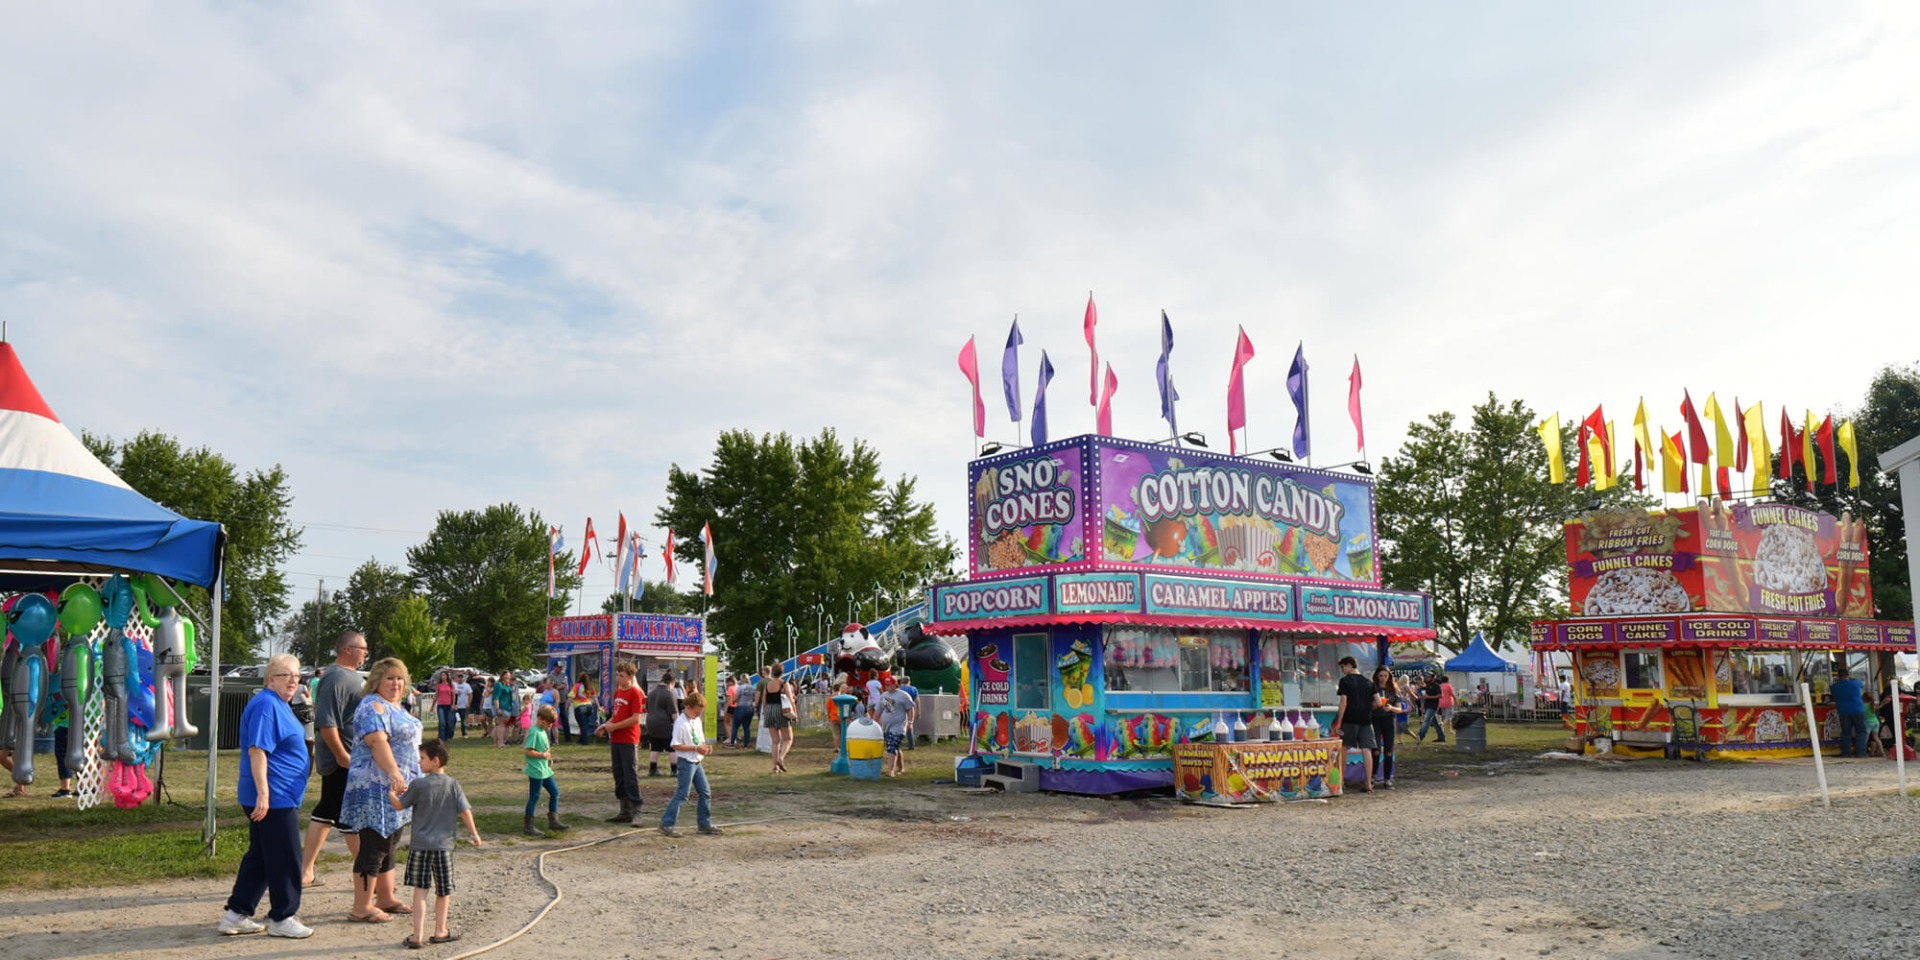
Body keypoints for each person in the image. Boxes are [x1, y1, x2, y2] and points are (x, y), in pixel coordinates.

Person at [218, 655, 314, 939]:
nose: (293, 681)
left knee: (261, 856)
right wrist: (264, 794)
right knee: (286, 856)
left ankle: (236, 914)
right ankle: (282, 916)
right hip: (274, 797)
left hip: (277, 796)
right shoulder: (265, 705)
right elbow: (257, 750)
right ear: (270, 679)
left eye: (297, 676)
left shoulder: (280, 705)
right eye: (285, 675)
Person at [341, 658, 423, 924]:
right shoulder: (372, 706)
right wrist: (393, 772)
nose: (396, 683)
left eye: (399, 678)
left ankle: (385, 897)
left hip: (398, 788)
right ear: (377, 681)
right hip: (375, 787)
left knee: (390, 842)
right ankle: (361, 907)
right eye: (389, 678)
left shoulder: (395, 706)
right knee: (374, 844)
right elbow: (376, 742)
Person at [389, 738, 482, 949]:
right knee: (443, 891)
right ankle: (440, 931)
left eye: (422, 758)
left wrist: (391, 794)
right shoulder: (453, 785)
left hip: (420, 846)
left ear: (435, 760)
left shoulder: (418, 785)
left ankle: (417, 936)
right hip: (444, 847)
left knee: (420, 891)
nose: (419, 762)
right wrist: (474, 834)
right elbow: (465, 811)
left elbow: (399, 805)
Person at [301, 630, 369, 887]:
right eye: (363, 648)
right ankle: (366, 874)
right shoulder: (335, 677)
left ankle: (306, 871)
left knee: (332, 812)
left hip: (353, 756)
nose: (365, 653)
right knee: (342, 814)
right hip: (343, 759)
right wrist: (342, 755)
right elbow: (327, 722)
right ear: (347, 649)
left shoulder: (350, 676)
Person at [658, 690, 721, 837]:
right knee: (682, 794)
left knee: (705, 792)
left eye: (700, 712)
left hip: (697, 761)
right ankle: (666, 824)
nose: (699, 715)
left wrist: (704, 747)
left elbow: (700, 740)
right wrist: (695, 748)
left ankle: (704, 824)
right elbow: (675, 745)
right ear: (688, 707)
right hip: (686, 761)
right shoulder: (680, 723)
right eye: (697, 712)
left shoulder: (696, 720)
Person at [595, 661, 647, 825]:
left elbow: (635, 718)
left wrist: (613, 726)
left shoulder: (635, 693)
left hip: (629, 739)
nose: (618, 678)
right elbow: (616, 715)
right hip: (616, 739)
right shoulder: (618, 692)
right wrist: (605, 726)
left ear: (631, 676)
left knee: (630, 774)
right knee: (619, 774)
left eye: (622, 675)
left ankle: (636, 810)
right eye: (617, 675)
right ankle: (624, 810)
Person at [1327, 656, 1376, 793]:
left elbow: (1343, 702)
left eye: (1343, 667)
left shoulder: (1345, 681)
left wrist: (1339, 721)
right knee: (1367, 749)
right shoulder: (1368, 682)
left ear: (1349, 665)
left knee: (1344, 748)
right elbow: (1378, 701)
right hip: (1366, 719)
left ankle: (1341, 781)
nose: (1342, 670)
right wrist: (1366, 708)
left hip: (1350, 718)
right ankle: (1368, 783)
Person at [523, 704, 568, 836]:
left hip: (545, 769)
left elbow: (543, 748)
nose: (550, 726)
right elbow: (528, 751)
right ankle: (528, 825)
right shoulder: (534, 731)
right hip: (536, 770)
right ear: (540, 718)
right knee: (534, 797)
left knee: (555, 792)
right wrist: (543, 755)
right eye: (548, 723)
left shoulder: (543, 730)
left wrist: (547, 758)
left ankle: (554, 821)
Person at [1370, 666, 1407, 788]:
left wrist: (1391, 708)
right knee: (1375, 750)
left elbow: (1399, 709)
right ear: (1376, 676)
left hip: (1389, 721)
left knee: (1388, 751)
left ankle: (1387, 779)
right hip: (1375, 720)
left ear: (1389, 677)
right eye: (1380, 676)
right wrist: (1377, 704)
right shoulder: (1372, 688)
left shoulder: (1393, 690)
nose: (1383, 678)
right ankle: (1372, 776)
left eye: (1385, 676)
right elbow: (1368, 707)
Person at [874, 676, 916, 778]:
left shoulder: (903, 696)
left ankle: (890, 771)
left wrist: (910, 722)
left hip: (899, 727)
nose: (888, 687)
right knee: (896, 747)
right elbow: (878, 711)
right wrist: (874, 723)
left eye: (889, 685)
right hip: (886, 727)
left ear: (895, 684)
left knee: (891, 747)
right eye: (886, 685)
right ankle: (901, 768)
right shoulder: (883, 696)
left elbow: (910, 709)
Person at [758, 663, 795, 773]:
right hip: (781, 710)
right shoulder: (784, 683)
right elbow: (790, 699)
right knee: (788, 739)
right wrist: (795, 713)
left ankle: (775, 767)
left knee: (775, 741)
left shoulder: (767, 685)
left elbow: (764, 700)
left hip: (769, 710)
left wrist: (765, 711)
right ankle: (781, 758)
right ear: (782, 673)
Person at [645, 671, 679, 777]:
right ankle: (674, 770)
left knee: (655, 747)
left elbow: (647, 708)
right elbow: (674, 714)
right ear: (672, 682)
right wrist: (678, 727)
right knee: (672, 747)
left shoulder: (652, 692)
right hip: (665, 725)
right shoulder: (669, 694)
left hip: (651, 723)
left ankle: (653, 769)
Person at [1830, 668, 1867, 758]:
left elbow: (1832, 691)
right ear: (1848, 675)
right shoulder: (1855, 683)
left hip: (1843, 711)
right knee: (1861, 731)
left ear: (1838, 677)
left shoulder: (1834, 687)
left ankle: (1846, 753)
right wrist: (1851, 678)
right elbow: (1862, 684)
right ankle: (1860, 752)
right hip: (1858, 710)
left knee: (1846, 732)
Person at [1415, 674, 1447, 744]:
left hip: (1433, 706)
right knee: (1435, 723)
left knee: (1426, 720)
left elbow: (1440, 695)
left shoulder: (1436, 686)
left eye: (1428, 677)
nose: (1426, 678)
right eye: (1426, 676)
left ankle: (1420, 736)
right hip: (1427, 705)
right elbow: (1423, 696)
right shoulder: (1427, 686)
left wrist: (1429, 697)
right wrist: (1420, 695)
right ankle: (1442, 737)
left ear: (1433, 678)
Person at [731, 671, 759, 747]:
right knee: (746, 727)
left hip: (740, 707)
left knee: (735, 726)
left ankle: (732, 743)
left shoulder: (740, 688)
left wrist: (733, 701)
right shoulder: (753, 687)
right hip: (750, 708)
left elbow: (736, 698)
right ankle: (746, 744)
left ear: (741, 679)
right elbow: (754, 698)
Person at [492, 670, 520, 747]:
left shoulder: (507, 685)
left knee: (503, 725)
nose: (508, 676)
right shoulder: (499, 684)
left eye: (509, 675)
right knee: (501, 725)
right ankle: (500, 742)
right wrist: (498, 708)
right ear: (502, 676)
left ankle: (499, 742)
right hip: (502, 707)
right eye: (506, 675)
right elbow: (496, 697)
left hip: (507, 707)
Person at [571, 673, 597, 747]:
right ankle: (582, 739)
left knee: (582, 725)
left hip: (579, 707)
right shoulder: (590, 687)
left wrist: (567, 704)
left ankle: (584, 742)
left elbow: (571, 696)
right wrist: (598, 706)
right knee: (585, 725)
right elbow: (595, 697)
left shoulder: (576, 686)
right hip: (589, 707)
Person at [434, 672, 456, 742]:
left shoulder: (451, 685)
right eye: (442, 675)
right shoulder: (438, 685)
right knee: (442, 722)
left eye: (444, 675)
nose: (443, 677)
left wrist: (453, 704)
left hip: (449, 705)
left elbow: (453, 695)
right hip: (441, 705)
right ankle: (441, 737)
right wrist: (432, 705)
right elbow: (436, 695)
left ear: (447, 676)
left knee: (448, 722)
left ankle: (447, 736)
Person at [719, 676, 738, 745]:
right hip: (737, 707)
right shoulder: (738, 687)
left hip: (731, 707)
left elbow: (729, 699)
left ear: (731, 682)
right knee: (735, 723)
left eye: (727, 682)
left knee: (726, 722)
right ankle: (734, 737)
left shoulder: (730, 688)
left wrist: (726, 708)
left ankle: (731, 738)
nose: (727, 684)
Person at [451, 672, 472, 738]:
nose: (460, 679)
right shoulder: (453, 685)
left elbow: (470, 694)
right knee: (452, 720)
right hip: (455, 706)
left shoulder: (467, 685)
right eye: (458, 677)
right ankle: (451, 734)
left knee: (463, 721)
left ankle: (464, 733)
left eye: (461, 677)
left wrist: (469, 703)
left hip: (463, 706)